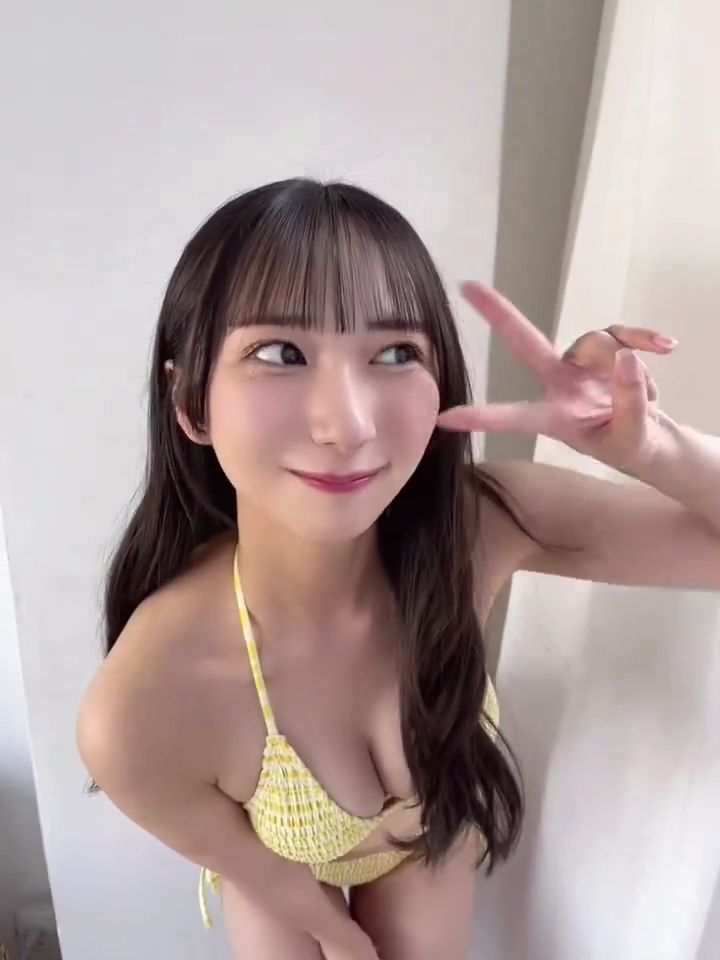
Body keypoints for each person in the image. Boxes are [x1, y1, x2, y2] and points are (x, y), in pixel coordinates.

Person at [76, 177, 720, 960]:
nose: (348, 424)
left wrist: (648, 447)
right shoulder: (139, 708)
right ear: (190, 403)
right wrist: (338, 937)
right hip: (279, 869)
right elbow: (262, 874)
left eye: (394, 353)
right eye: (280, 353)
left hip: (428, 832)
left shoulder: (478, 527)